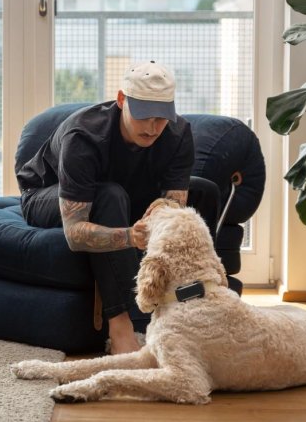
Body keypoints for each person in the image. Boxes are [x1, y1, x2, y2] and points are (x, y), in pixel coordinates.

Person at [17, 60, 209, 355]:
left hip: (122, 196)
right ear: (122, 100)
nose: (153, 127)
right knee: (109, 195)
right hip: (44, 195)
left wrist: (162, 209)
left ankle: (184, 314)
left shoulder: (178, 134)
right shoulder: (84, 137)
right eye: (144, 115)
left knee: (193, 193)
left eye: (161, 117)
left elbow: (174, 204)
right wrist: (131, 236)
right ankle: (122, 325)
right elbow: (75, 232)